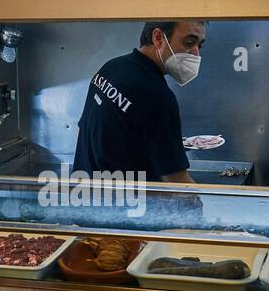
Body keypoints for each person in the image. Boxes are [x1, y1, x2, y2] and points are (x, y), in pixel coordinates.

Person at [72, 21, 205, 183]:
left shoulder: (111, 68)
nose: (196, 54)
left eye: (200, 46)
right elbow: (176, 180)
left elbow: (82, 130)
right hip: (123, 205)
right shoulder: (157, 96)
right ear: (158, 38)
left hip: (84, 196)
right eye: (189, 43)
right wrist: (202, 204)